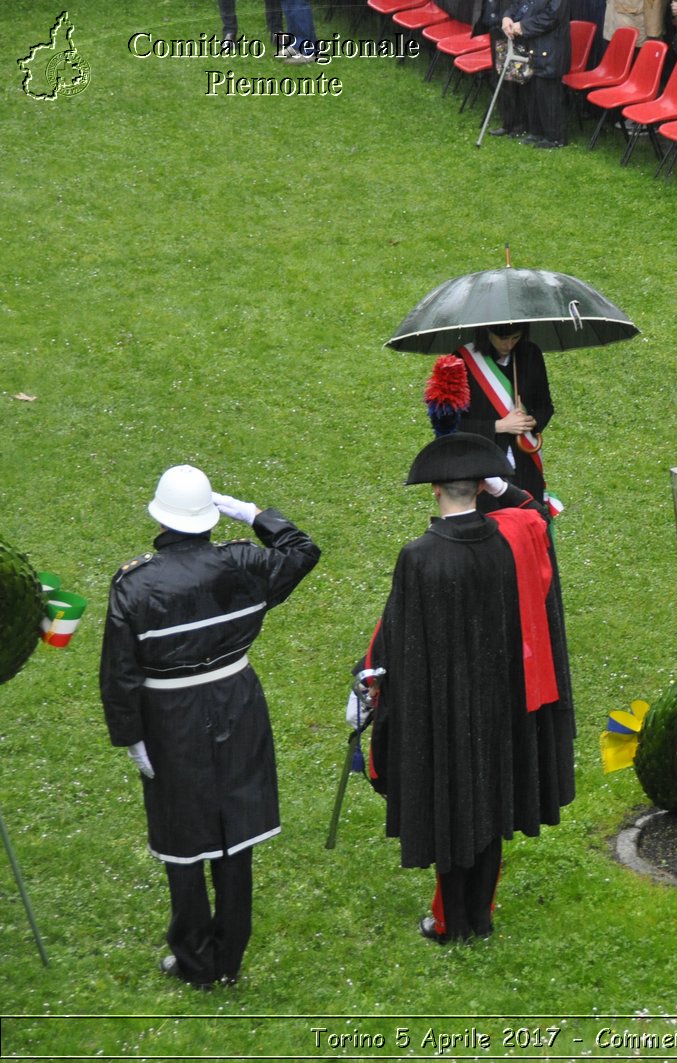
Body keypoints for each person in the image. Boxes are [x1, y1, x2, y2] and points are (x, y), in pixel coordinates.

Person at [101, 465, 319, 988]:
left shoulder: (134, 585)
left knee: (183, 836)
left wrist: (130, 737)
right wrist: (252, 513)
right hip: (238, 703)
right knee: (236, 832)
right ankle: (229, 957)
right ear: (209, 515)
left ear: (159, 517)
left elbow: (120, 674)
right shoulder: (243, 563)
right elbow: (302, 549)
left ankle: (195, 959)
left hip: (170, 718)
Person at [361, 433, 569, 942]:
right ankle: (480, 918)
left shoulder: (419, 555)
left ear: (435, 489)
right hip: (500, 699)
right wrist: (507, 488)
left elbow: (400, 638)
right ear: (481, 487)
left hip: (444, 706)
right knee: (491, 806)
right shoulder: (508, 540)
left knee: (453, 809)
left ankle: (452, 924)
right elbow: (536, 514)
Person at [454, 323, 555, 503]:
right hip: (482, 464)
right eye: (503, 339)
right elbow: (452, 424)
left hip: (525, 462)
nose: (509, 345)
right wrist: (498, 426)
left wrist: (532, 421)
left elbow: (545, 406)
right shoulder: (462, 360)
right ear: (487, 332)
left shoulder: (531, 354)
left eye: (515, 338)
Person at [488, 0, 572, 148]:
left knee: (548, 92)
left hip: (551, 45)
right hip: (533, 44)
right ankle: (536, 131)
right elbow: (519, 4)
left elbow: (552, 16)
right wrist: (507, 17)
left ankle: (555, 137)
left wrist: (523, 26)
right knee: (533, 90)